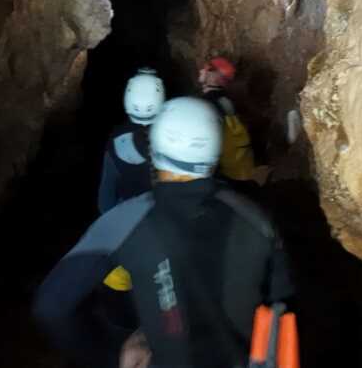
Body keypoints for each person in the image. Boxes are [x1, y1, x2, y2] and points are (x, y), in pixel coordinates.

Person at [34, 96, 295, 368]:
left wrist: (111, 356)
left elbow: (52, 307)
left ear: (154, 151)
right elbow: (281, 311)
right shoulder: (257, 219)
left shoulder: (126, 222)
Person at [98, 68, 165, 214]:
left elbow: (105, 200)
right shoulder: (173, 136)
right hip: (164, 219)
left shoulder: (116, 140)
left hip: (128, 219)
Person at [198, 57, 256, 185]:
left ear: (213, 75)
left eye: (206, 68)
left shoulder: (211, 104)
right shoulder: (223, 101)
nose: (201, 70)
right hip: (241, 170)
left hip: (231, 175)